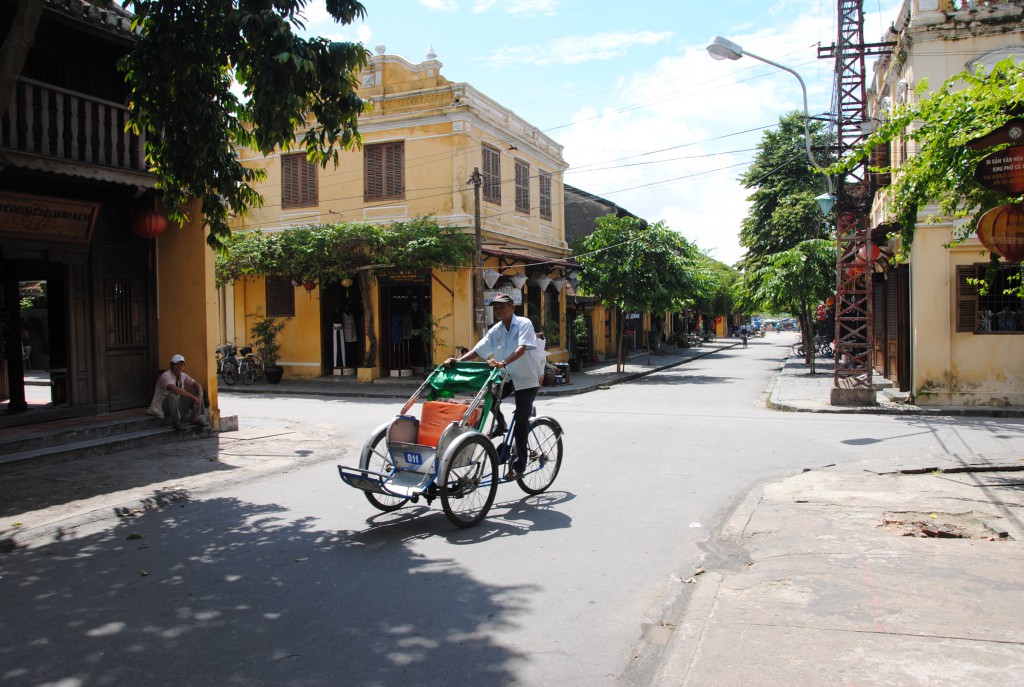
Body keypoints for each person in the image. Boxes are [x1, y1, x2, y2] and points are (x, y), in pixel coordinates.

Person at [445, 294, 544, 481]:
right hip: (505, 377)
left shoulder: (524, 324)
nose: (498, 310)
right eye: (495, 308)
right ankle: (501, 423)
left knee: (521, 422)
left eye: (502, 307)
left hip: (526, 379)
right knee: (485, 398)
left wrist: (503, 362)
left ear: (512, 307)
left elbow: (522, 349)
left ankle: (519, 465)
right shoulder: (496, 330)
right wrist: (457, 361)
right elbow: (479, 350)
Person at [147, 354, 209, 430]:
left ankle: (195, 418)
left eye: (181, 365)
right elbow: (174, 389)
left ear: (184, 366)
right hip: (163, 408)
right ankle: (176, 422)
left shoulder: (183, 375)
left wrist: (200, 395)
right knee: (173, 395)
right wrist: (192, 397)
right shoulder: (165, 376)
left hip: (178, 404)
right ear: (171, 365)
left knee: (196, 390)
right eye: (176, 364)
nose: (179, 367)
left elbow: (196, 384)